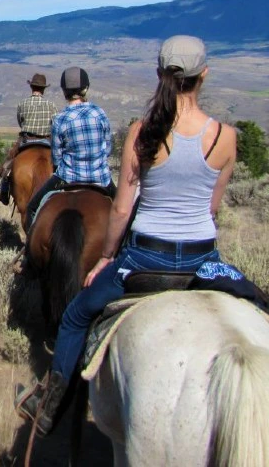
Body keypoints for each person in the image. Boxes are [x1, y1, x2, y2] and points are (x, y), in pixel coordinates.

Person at [14, 35, 237, 436]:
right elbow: (211, 210)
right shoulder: (226, 137)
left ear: (158, 74)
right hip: (203, 258)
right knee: (257, 304)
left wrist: (105, 257)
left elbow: (120, 208)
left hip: (147, 255)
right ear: (204, 74)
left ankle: (48, 406)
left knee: (75, 315)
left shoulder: (143, 131)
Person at [23, 67, 115, 231]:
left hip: (68, 178)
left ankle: (30, 246)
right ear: (85, 88)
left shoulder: (60, 119)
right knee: (126, 213)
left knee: (32, 208)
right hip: (101, 178)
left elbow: (57, 157)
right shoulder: (100, 113)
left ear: (64, 91)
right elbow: (108, 149)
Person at [0, 73, 57, 205]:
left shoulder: (22, 104)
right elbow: (55, 125)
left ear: (31, 87)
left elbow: (20, 122)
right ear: (43, 89)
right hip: (46, 141)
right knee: (60, 167)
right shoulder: (51, 105)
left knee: (8, 166)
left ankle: (3, 192)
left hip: (26, 140)